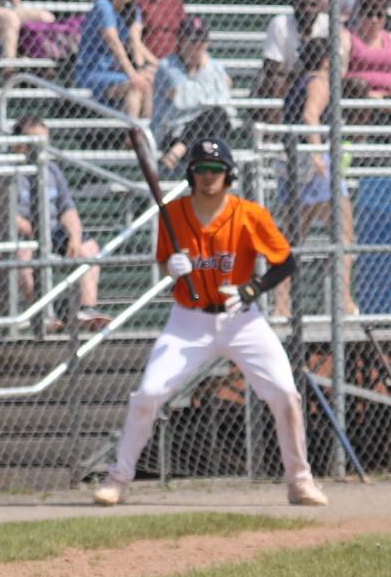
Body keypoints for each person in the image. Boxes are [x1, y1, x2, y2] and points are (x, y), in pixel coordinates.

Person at [92, 139, 327, 508]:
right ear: (190, 174)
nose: (207, 176)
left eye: (215, 169)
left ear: (228, 174)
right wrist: (171, 267)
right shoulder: (172, 213)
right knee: (148, 395)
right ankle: (118, 480)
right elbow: (164, 260)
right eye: (200, 168)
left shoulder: (249, 213)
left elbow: (286, 262)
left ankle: (300, 482)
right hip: (188, 321)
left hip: (242, 320)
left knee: (286, 395)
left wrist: (253, 288)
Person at [0, 116, 103, 325]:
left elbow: (68, 210)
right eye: (34, 141)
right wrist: (35, 233)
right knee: (24, 254)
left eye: (44, 141)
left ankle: (86, 311)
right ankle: (45, 317)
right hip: (18, 235)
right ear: (17, 142)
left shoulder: (51, 169)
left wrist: (75, 239)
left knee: (89, 248)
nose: (41, 147)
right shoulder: (0, 168)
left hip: (51, 231)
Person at [276, 38, 359, 317]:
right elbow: (310, 116)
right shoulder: (319, 82)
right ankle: (344, 302)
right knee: (344, 234)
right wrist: (316, 154)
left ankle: (282, 305)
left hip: (295, 163)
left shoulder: (298, 82)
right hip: (315, 165)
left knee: (292, 239)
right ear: (325, 60)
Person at [153, 17, 235, 171]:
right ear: (181, 41)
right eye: (191, 40)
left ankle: (181, 149)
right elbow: (183, 99)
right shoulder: (167, 66)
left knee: (218, 114)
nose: (197, 46)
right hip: (173, 132)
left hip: (207, 129)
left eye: (202, 40)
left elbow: (222, 101)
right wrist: (216, 85)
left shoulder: (213, 65)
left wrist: (203, 72)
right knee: (215, 114)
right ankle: (211, 161)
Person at [72, 0, 153, 120]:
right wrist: (133, 75)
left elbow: (136, 44)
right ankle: (132, 135)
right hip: (93, 71)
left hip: (117, 72)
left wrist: (151, 66)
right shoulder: (103, 6)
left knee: (148, 82)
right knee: (135, 86)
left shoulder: (132, 11)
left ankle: (145, 134)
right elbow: (114, 44)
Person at [255, 0, 328, 99]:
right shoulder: (280, 24)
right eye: (302, 5)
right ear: (294, 6)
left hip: (317, 78)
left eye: (312, 5)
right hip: (288, 78)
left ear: (320, 7)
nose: (307, 10)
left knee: (316, 46)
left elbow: (333, 66)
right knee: (274, 81)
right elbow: (273, 67)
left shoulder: (328, 25)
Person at [348, 0, 391, 95]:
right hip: (360, 95)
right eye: (370, 14)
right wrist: (369, 94)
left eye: (379, 15)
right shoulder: (349, 38)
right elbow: (341, 74)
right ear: (361, 15)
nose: (374, 20)